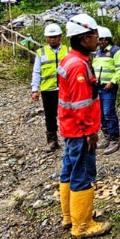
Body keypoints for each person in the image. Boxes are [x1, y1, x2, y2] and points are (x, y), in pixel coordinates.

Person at [57, 13, 111, 238]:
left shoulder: (68, 59)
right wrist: (91, 132)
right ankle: (82, 225)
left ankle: (70, 216)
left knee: (69, 170)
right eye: (93, 36)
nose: (97, 40)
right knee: (82, 173)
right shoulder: (79, 66)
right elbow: (81, 104)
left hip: (69, 127)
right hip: (80, 129)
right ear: (83, 39)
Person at [31, 24, 69, 152]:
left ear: (60, 37)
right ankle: (52, 141)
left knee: (68, 113)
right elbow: (36, 72)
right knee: (50, 116)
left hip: (66, 89)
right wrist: (35, 89)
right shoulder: (41, 52)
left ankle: (70, 139)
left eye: (55, 37)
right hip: (48, 90)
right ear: (46, 38)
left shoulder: (67, 51)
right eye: (50, 37)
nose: (52, 39)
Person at [92, 26, 120, 155]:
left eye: (99, 39)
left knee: (108, 112)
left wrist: (113, 81)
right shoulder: (97, 53)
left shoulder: (117, 52)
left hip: (109, 87)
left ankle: (115, 138)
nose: (97, 42)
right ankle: (106, 136)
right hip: (98, 87)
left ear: (106, 39)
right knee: (100, 113)